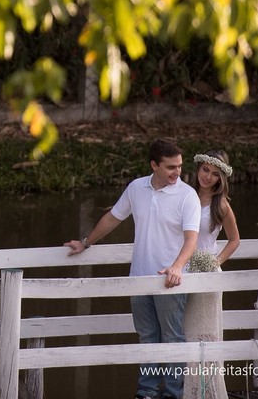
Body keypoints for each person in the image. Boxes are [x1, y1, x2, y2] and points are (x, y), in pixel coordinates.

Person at [65, 138, 201, 399]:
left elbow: (191, 240)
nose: (177, 172)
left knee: (172, 338)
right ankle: (147, 391)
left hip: (170, 281)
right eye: (171, 167)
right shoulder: (136, 188)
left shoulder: (187, 196)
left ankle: (173, 394)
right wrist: (85, 243)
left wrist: (176, 267)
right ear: (154, 165)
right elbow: (112, 218)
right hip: (138, 278)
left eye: (179, 166)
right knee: (147, 336)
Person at [183, 150, 240, 399]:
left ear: (221, 178)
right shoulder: (185, 195)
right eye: (205, 170)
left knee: (206, 333)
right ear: (198, 169)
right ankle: (186, 389)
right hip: (181, 270)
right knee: (184, 331)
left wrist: (215, 261)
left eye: (215, 174)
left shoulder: (221, 205)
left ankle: (206, 391)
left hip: (207, 272)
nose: (207, 177)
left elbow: (234, 240)